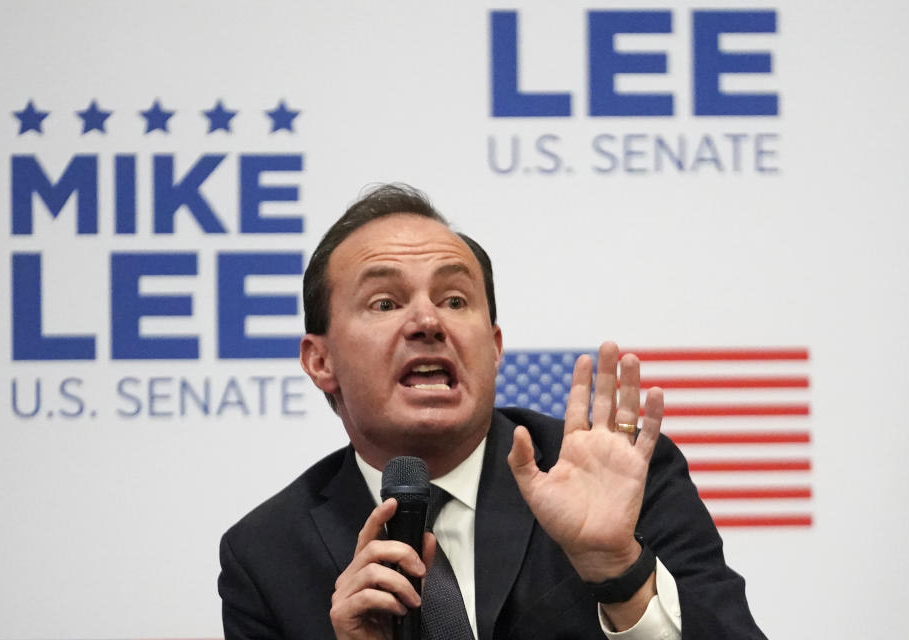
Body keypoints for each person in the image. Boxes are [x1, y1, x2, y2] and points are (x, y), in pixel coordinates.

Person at [218, 184, 765, 639]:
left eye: (455, 300)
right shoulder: (266, 556)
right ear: (320, 360)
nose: (427, 322)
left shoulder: (619, 478)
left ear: (495, 347)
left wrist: (621, 572)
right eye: (385, 303)